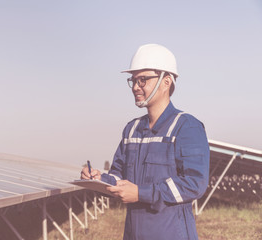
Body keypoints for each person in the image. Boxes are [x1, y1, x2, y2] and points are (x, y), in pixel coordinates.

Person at [80, 43, 210, 240]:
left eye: (143, 80)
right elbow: (119, 176)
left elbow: (194, 183)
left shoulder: (187, 127)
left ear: (166, 82)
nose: (135, 87)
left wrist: (141, 193)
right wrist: (100, 179)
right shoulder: (131, 130)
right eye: (133, 80)